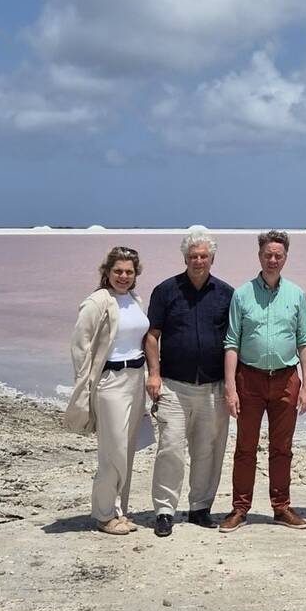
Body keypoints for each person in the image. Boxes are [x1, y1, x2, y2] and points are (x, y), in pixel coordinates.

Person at [219, 230, 306, 532]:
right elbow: (232, 342)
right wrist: (230, 388)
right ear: (259, 256)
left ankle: (281, 507)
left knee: (282, 447)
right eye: (268, 255)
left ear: (285, 257)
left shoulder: (296, 294)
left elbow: (304, 341)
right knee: (245, 447)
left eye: (278, 255)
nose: (273, 260)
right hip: (249, 380)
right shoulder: (242, 294)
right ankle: (239, 508)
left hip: (287, 379)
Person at [144, 228, 234, 538]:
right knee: (170, 448)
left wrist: (233, 387)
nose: (198, 260)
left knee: (208, 450)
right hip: (173, 385)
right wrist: (153, 374)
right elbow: (152, 335)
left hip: (213, 388)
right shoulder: (166, 291)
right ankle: (165, 511)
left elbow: (233, 342)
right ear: (185, 258)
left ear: (212, 258)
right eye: (193, 256)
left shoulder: (226, 294)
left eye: (204, 256)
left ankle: (200, 508)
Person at [63, 246, 149, 536]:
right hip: (110, 381)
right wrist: (86, 383)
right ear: (107, 272)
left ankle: (118, 511)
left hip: (136, 378)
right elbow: (80, 346)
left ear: (136, 274)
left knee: (127, 450)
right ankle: (103, 515)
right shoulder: (97, 301)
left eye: (129, 271)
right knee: (112, 451)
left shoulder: (135, 299)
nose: (123, 276)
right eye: (118, 271)